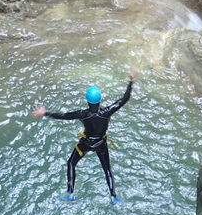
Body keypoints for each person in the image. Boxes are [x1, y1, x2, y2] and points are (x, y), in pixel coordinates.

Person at [32, 72, 136, 204]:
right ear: (99, 100)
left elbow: (63, 116)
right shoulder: (107, 112)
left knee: (71, 163)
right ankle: (113, 197)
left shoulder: (82, 114)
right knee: (107, 170)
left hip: (86, 143)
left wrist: (45, 113)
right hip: (100, 143)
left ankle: (70, 193)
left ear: (87, 101)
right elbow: (124, 99)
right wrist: (131, 81)